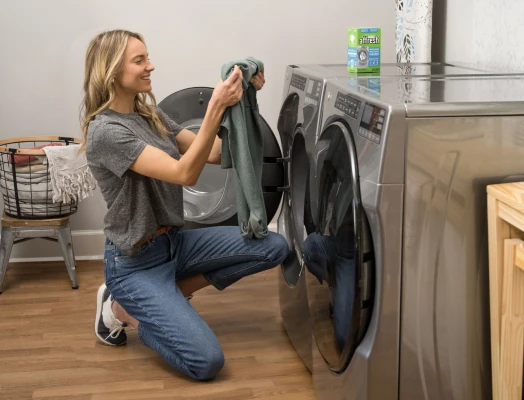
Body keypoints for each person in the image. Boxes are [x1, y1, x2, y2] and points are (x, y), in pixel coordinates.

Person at [81, 29, 288, 381]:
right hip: (134, 263)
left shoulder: (152, 117)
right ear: (112, 71)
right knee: (205, 362)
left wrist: (242, 101)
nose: (151, 66)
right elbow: (183, 173)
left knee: (274, 247)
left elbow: (213, 152)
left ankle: (167, 297)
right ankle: (120, 308)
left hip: (174, 245)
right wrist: (216, 106)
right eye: (140, 60)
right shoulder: (107, 133)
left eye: (147, 57)